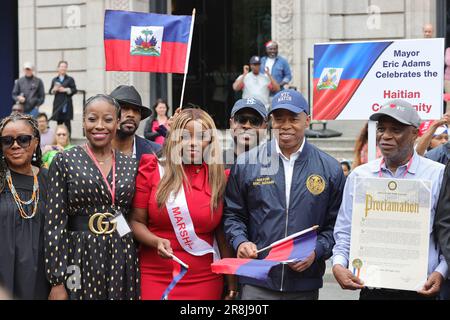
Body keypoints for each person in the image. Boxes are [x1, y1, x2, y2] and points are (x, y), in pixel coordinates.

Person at [223, 89, 345, 300]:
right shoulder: (246, 163)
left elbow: (336, 225)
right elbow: (233, 215)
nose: (285, 125)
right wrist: (241, 241)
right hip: (256, 280)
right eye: (279, 119)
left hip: (304, 284)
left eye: (293, 119)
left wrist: (316, 251)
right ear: (271, 121)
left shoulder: (330, 169)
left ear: (307, 120)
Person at [333, 100, 447, 300]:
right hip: (372, 289)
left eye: (395, 129)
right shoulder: (360, 176)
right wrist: (338, 264)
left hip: (422, 290)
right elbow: (345, 230)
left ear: (415, 133)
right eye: (381, 128)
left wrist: (442, 271)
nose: (385, 136)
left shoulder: (437, 175)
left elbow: (446, 231)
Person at [130, 108, 237, 300]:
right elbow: (136, 222)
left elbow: (222, 235)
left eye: (201, 137)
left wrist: (231, 282)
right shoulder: (152, 168)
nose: (193, 143)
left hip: (204, 278)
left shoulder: (220, 178)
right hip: (154, 273)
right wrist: (156, 241)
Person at [45, 94, 140, 300]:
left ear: (117, 123)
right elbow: (54, 223)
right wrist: (57, 280)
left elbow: (134, 216)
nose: (99, 126)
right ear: (83, 122)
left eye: (107, 119)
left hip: (120, 253)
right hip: (78, 253)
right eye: (92, 119)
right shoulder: (64, 161)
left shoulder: (130, 165)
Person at [0, 114, 50, 299]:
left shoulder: (50, 179)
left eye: (23, 139)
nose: (15, 145)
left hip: (42, 277)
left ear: (36, 142)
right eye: (7, 140)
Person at [110, 85, 161, 161]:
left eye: (136, 110)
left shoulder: (156, 152)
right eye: (125, 108)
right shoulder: (93, 152)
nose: (131, 114)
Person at [223, 98, 268, 169]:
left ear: (265, 127)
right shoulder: (214, 164)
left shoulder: (273, 164)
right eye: (241, 119)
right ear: (231, 124)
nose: (247, 125)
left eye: (255, 121)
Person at [49, 61, 77, 135]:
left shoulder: (70, 79)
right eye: (61, 66)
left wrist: (65, 90)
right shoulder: (55, 79)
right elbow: (50, 91)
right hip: (58, 104)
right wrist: (54, 89)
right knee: (59, 123)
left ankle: (69, 141)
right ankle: (58, 141)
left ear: (66, 68)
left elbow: (74, 90)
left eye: (65, 67)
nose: (63, 68)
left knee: (67, 123)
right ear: (58, 68)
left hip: (66, 104)